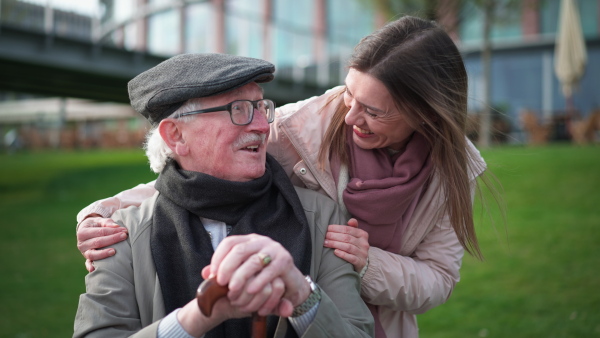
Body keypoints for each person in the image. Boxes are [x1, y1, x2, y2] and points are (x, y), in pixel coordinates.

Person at [76, 16, 500, 338]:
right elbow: (193, 173)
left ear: (423, 115)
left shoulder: (448, 169)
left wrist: (359, 265)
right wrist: (101, 213)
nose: (351, 116)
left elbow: (438, 278)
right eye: (349, 95)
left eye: (374, 111)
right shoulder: (300, 128)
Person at [73, 53, 374, 338]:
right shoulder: (118, 237)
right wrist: (196, 318)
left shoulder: (323, 217)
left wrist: (301, 294)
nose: (261, 126)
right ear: (176, 135)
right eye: (239, 109)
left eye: (260, 107)